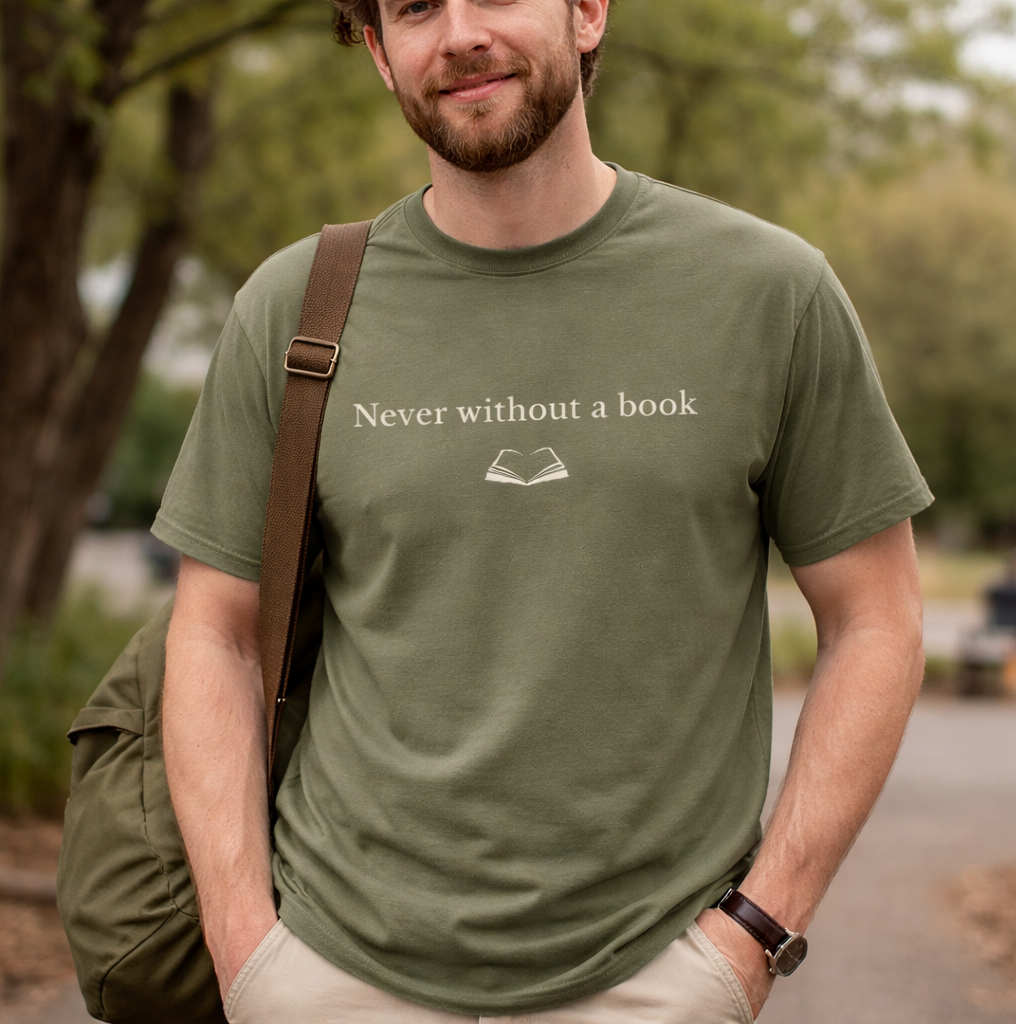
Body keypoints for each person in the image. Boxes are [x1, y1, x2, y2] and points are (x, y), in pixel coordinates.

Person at [154, 0, 933, 1020]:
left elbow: (876, 619)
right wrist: (246, 949)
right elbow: (214, 634)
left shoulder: (768, 293)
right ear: (380, 53)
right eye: (415, 7)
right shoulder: (295, 309)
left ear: (589, 11)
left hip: (654, 976)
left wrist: (755, 931)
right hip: (334, 969)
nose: (460, 33)